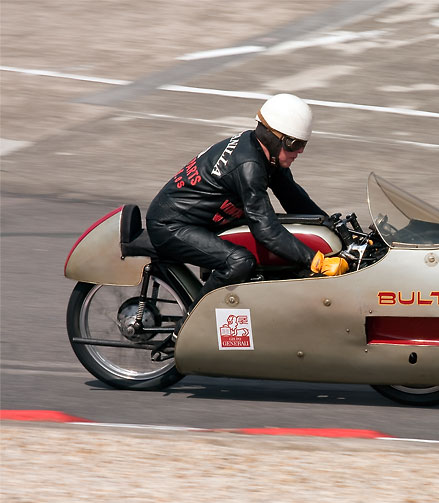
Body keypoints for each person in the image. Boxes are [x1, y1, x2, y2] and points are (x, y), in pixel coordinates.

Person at [146, 94, 348, 353]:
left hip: (205, 220)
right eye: (294, 144)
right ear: (274, 138)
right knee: (240, 261)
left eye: (303, 144)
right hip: (171, 225)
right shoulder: (250, 165)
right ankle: (185, 334)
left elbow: (293, 198)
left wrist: (334, 229)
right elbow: (266, 230)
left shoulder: (264, 154)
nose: (300, 151)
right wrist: (316, 261)